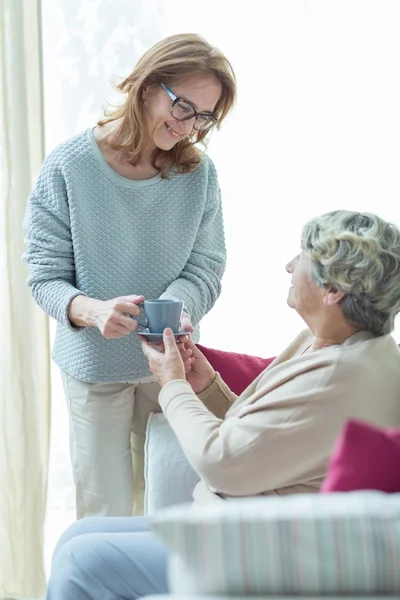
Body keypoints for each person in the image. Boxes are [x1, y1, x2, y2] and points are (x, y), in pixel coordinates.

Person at [46, 210, 400, 599]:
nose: (289, 265)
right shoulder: (333, 345)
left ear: (333, 290)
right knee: (78, 534)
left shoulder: (340, 375)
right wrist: (206, 384)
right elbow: (260, 437)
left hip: (259, 546)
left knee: (82, 560)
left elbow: (222, 462)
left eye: (302, 256)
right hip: (239, 522)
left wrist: (173, 383)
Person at [23, 33, 236, 517]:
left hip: (172, 367)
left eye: (205, 117)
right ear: (145, 85)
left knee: (171, 507)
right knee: (105, 510)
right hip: (95, 368)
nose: (189, 127)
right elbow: (44, 276)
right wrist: (92, 310)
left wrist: (175, 309)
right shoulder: (69, 167)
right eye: (183, 107)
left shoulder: (198, 175)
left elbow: (206, 267)